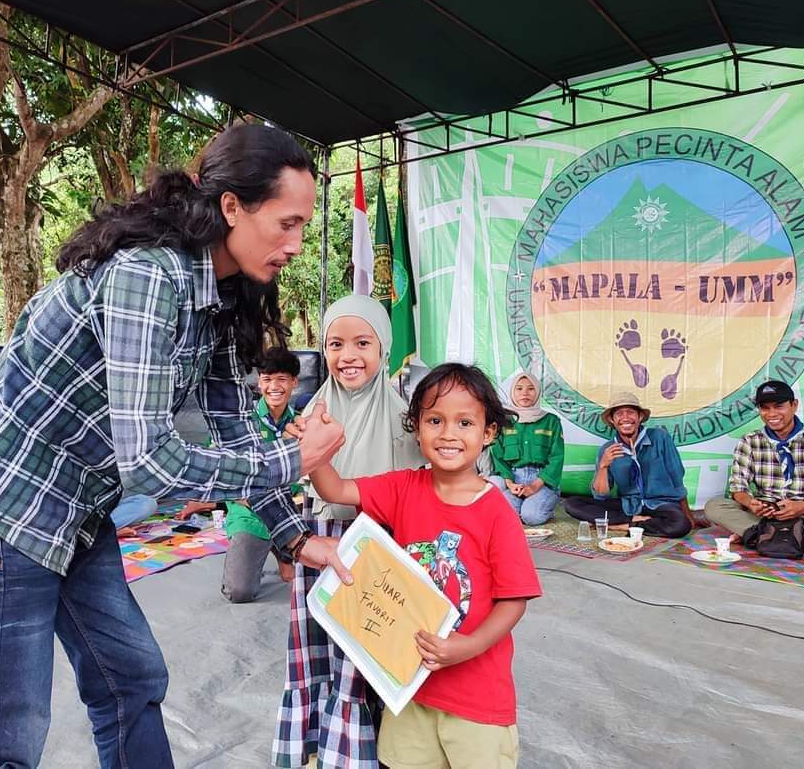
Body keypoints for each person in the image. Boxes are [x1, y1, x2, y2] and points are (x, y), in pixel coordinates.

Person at [0, 123, 349, 769]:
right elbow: (150, 458)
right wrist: (297, 459)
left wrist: (296, 537)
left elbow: (237, 424)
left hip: (75, 514)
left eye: (303, 228)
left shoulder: (223, 294)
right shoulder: (149, 277)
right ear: (231, 207)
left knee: (131, 680)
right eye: (286, 223)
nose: (296, 245)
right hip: (1, 512)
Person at [308, 363, 541, 769]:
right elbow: (334, 488)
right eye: (435, 420)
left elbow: (513, 601)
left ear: (488, 433)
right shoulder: (403, 488)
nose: (448, 433)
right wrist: (314, 450)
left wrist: (466, 646)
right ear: (417, 427)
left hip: (477, 700)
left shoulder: (496, 513)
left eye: (465, 422)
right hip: (408, 691)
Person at [273, 294, 423, 769]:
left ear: (384, 348)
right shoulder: (312, 411)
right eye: (335, 344)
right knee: (317, 647)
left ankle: (360, 754)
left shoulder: (405, 415)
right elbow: (287, 480)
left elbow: (419, 487)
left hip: (375, 544)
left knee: (362, 655)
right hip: (320, 539)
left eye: (363, 342)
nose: (348, 355)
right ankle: (319, 752)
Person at [176, 347, 303, 601]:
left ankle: (282, 550)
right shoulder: (240, 424)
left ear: (294, 382)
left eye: (282, 379)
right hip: (250, 512)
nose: (274, 386)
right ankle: (271, 546)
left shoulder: (302, 422)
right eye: (267, 379)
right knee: (239, 592)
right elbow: (221, 473)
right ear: (258, 383)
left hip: (291, 511)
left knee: (300, 576)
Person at [704, 379, 804, 557]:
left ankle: (761, 535)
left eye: (779, 406)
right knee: (714, 507)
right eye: (765, 408)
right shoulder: (749, 441)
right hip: (764, 515)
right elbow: (738, 489)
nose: (772, 414)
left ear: (794, 405)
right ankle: (801, 537)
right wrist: (751, 504)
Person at [564, 393, 693, 538]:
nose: (625, 418)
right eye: (619, 414)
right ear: (612, 420)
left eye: (630, 412)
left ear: (640, 417)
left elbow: (677, 476)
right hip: (629, 506)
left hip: (660, 504)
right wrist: (603, 467)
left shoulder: (659, 437)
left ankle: (619, 525)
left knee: (680, 524)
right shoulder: (608, 449)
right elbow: (600, 495)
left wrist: (688, 515)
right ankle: (632, 522)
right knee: (572, 503)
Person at [486, 370, 564, 525]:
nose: (525, 393)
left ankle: (545, 507)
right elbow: (498, 457)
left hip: (542, 481)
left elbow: (557, 458)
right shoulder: (505, 421)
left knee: (531, 517)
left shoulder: (551, 421)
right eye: (519, 388)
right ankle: (525, 505)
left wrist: (535, 486)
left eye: (531, 388)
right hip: (515, 481)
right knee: (504, 517)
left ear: (537, 392)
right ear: (512, 392)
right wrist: (510, 484)